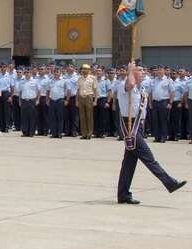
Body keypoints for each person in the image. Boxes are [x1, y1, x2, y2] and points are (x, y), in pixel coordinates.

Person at [115, 61, 186, 204]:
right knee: (149, 158)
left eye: (144, 70)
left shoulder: (141, 88)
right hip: (130, 126)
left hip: (139, 126)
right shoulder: (124, 85)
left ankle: (123, 194)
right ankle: (169, 183)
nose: (143, 72)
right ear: (132, 72)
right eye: (139, 70)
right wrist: (130, 70)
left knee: (129, 163)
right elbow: (129, 84)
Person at [76, 64, 98, 140]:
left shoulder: (93, 78)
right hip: (81, 97)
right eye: (83, 69)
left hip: (89, 97)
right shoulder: (79, 79)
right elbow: (78, 90)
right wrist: (77, 101)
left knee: (89, 116)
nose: (84, 70)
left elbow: (95, 90)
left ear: (89, 70)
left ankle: (89, 133)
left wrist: (95, 100)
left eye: (86, 69)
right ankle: (84, 134)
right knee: (82, 116)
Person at [47, 69, 68, 139]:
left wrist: (67, 100)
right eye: (55, 72)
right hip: (52, 100)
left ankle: (59, 133)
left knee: (60, 118)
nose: (56, 73)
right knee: (52, 118)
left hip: (60, 100)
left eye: (57, 72)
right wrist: (47, 100)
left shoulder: (64, 81)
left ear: (60, 73)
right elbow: (48, 91)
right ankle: (54, 133)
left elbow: (68, 91)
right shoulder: (50, 81)